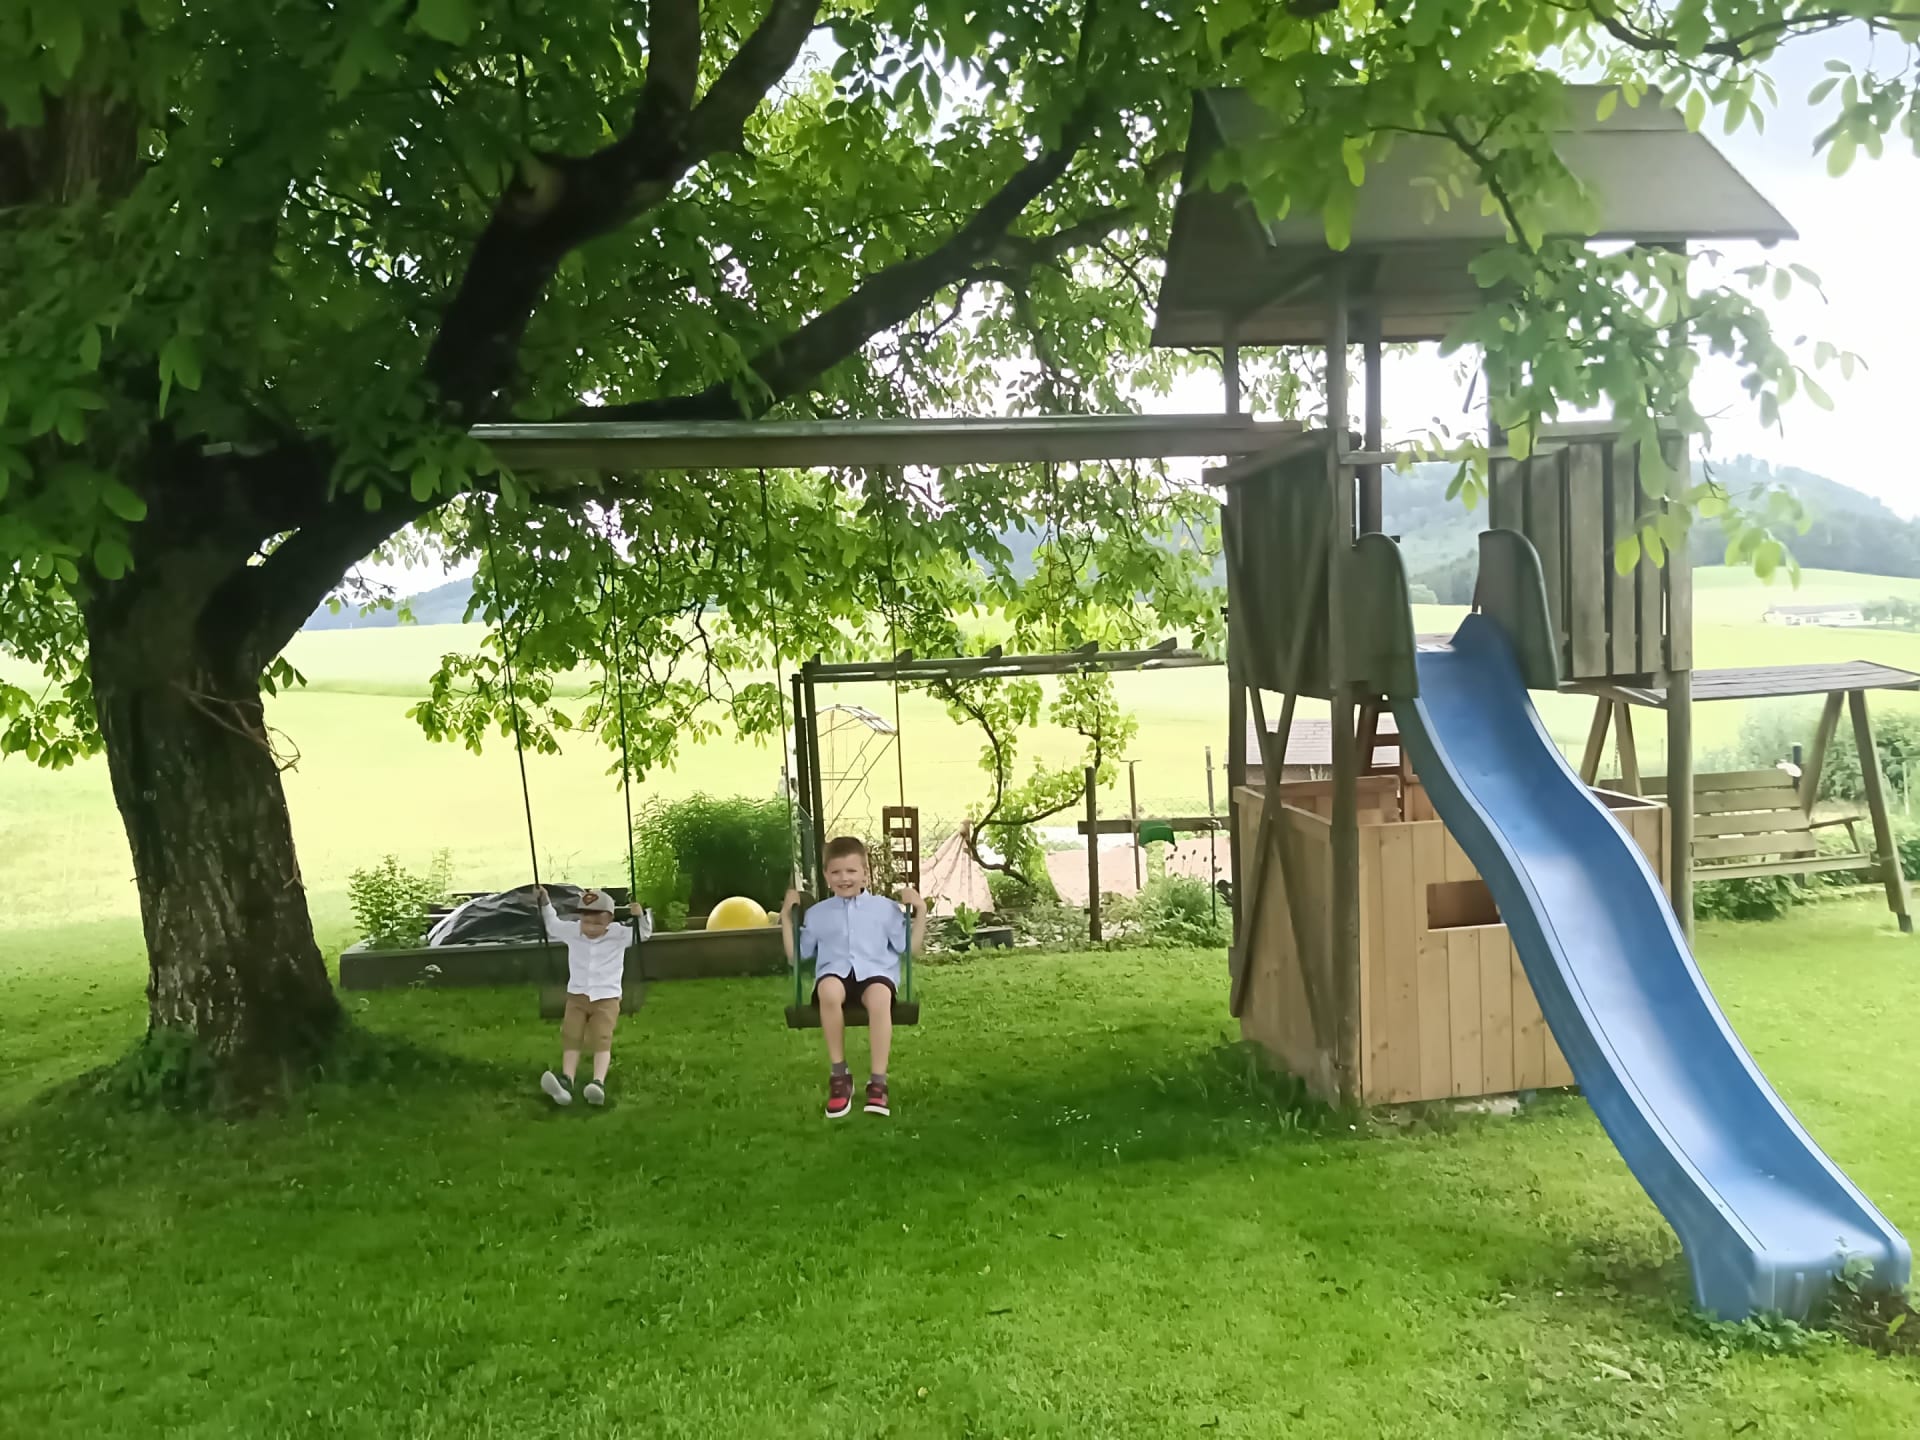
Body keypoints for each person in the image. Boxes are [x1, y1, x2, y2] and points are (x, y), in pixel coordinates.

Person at [781, 836, 926, 1119]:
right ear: (826, 875)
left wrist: (920, 911)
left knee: (880, 997)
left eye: (851, 871)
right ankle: (840, 1076)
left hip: (875, 974)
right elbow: (795, 957)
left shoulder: (885, 909)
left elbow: (911, 949)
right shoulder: (818, 914)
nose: (844, 878)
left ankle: (878, 1081)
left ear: (865, 874)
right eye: (836, 872)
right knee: (828, 990)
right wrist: (787, 917)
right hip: (835, 974)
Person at [537, 885, 650, 1108]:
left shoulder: (619, 935)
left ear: (609, 920)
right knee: (571, 1035)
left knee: (602, 1038)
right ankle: (566, 1081)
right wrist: (545, 903)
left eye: (597, 923)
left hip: (607, 998)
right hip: (577, 996)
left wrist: (640, 916)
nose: (590, 928)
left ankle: (598, 1083)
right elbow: (552, 925)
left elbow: (643, 934)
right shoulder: (572, 932)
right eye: (586, 922)